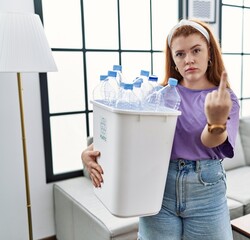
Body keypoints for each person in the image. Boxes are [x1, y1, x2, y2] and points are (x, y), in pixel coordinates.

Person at [81, 18, 240, 240]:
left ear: (210, 52)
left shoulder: (224, 98)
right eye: (180, 54)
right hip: (157, 186)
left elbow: (210, 141)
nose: (189, 60)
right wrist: (90, 151)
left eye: (196, 50)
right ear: (173, 60)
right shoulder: (159, 95)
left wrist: (215, 121)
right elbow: (130, 133)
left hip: (206, 191)